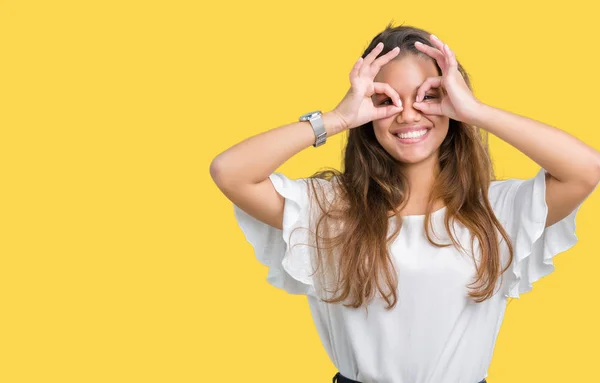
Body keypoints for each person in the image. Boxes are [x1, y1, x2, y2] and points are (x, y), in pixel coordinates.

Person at [209, 23, 600, 383]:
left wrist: (476, 111)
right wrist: (337, 118)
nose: (409, 114)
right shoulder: (329, 208)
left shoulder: (495, 209)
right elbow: (230, 171)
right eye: (389, 100)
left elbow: (586, 169)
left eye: (429, 96)